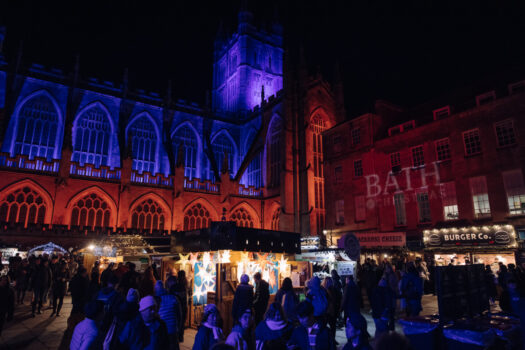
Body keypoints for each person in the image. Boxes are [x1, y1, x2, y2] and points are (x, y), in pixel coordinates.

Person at [155, 280, 182, 350]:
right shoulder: (173, 298)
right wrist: (178, 327)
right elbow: (179, 314)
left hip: (162, 330)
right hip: (173, 329)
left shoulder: (156, 300)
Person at [172, 270, 189, 342]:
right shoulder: (185, 285)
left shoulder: (174, 286)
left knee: (177, 321)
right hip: (183, 306)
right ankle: (180, 336)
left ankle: (177, 336)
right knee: (181, 322)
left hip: (177, 306)